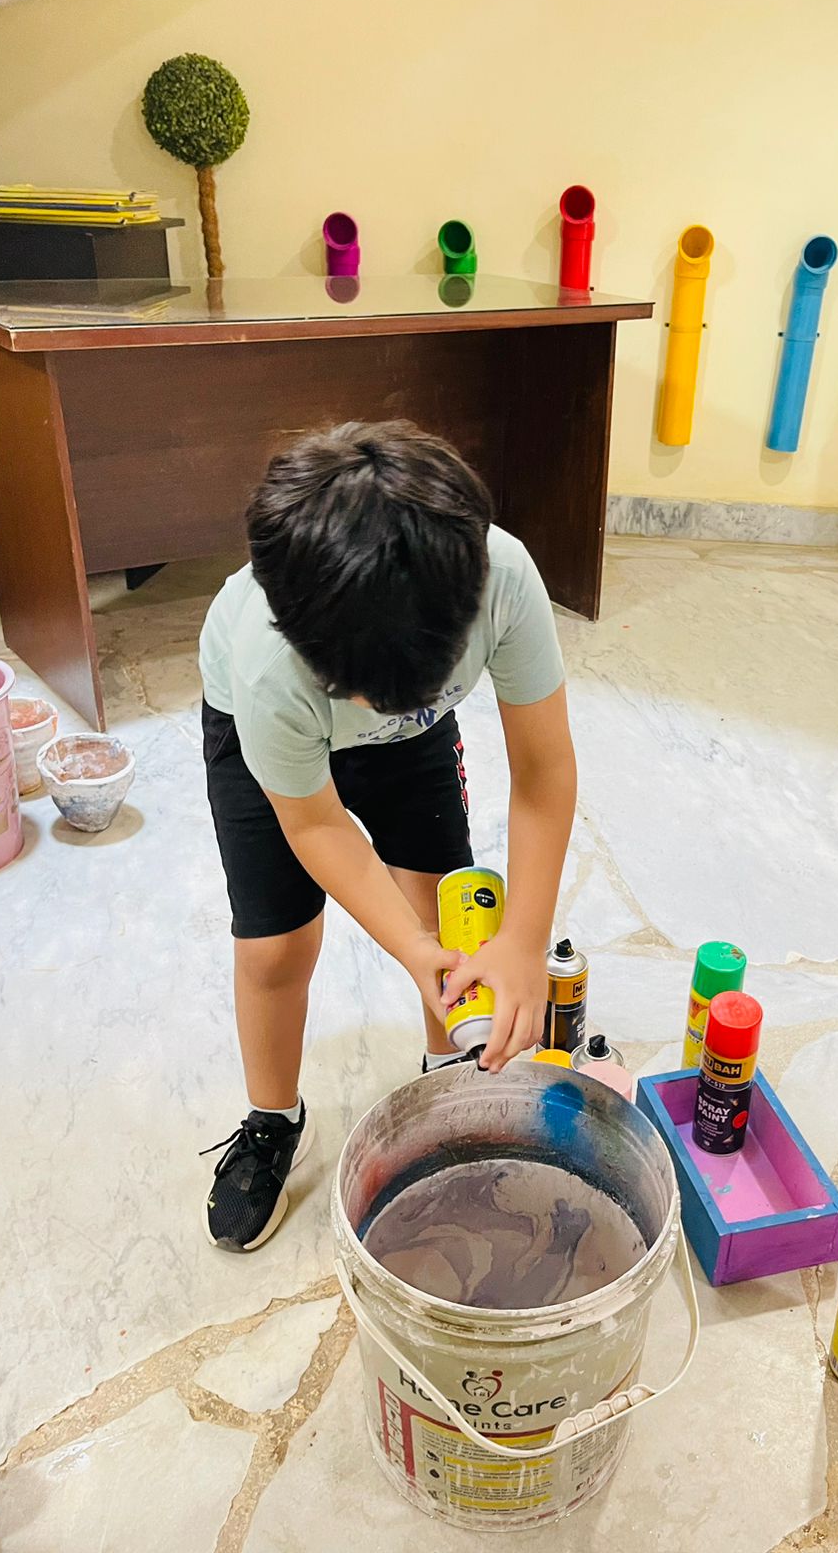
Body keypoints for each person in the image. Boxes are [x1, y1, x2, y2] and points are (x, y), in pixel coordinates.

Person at [197, 420, 576, 1251]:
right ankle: (271, 1120)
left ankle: (450, 1085)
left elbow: (544, 773)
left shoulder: (503, 577)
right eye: (366, 693)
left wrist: (522, 940)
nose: (384, 705)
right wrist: (406, 948)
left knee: (447, 918)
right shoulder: (268, 667)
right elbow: (315, 821)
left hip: (414, 744)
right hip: (269, 743)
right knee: (276, 947)